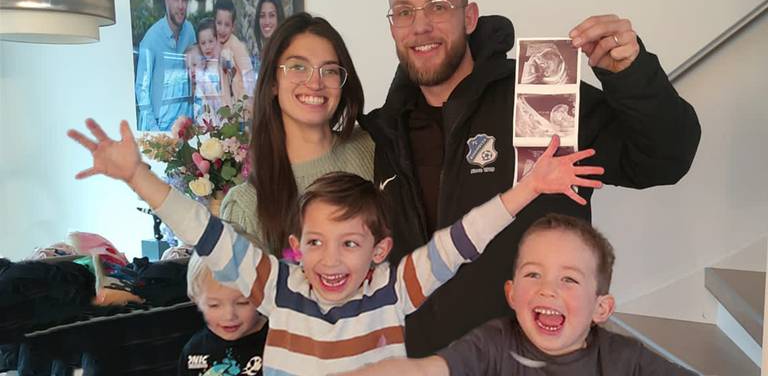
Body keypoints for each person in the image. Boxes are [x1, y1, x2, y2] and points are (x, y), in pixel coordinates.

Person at [359, 0, 702, 356]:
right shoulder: (384, 133)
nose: (420, 26)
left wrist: (632, 75)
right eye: (404, 11)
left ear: (469, 17)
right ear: (392, 25)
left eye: (438, 6)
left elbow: (664, 158)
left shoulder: (539, 94)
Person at [67, 113, 603, 374]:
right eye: (318, 242)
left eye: (350, 244)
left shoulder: (395, 288)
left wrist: (530, 185)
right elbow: (205, 233)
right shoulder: (276, 284)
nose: (330, 258)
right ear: (297, 246)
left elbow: (464, 240)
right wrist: (139, 178)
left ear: (379, 250)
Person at [338, 214, 696, 376]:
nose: (547, 289)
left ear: (601, 308)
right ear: (511, 293)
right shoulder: (493, 344)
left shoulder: (625, 359)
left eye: (568, 279)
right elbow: (428, 370)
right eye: (533, 274)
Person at [220, 13, 373, 256]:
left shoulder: (373, 147)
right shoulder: (246, 206)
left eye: (330, 70)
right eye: (298, 67)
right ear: (272, 83)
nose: (315, 83)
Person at [178, 253, 267, 375]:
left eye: (242, 303)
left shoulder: (279, 343)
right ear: (196, 301)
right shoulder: (194, 350)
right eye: (214, 305)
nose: (229, 315)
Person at [135, 0, 197, 131]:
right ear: (166, 0)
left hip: (187, 130)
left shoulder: (190, 31)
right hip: (160, 130)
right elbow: (141, 90)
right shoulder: (150, 40)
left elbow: (194, 78)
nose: (181, 5)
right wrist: (156, 133)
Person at [214, 0, 256, 107]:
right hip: (225, 104)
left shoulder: (236, 46)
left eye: (227, 25)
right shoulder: (214, 44)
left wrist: (250, 99)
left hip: (241, 106)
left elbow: (248, 72)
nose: (222, 29)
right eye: (219, 23)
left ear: (233, 26)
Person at [188, 18, 225, 126]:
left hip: (213, 124)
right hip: (201, 123)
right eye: (203, 43)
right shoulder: (202, 67)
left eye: (211, 41)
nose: (207, 47)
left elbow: (217, 102)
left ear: (217, 40)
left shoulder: (218, 69)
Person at [252, 0, 286, 75]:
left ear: (279, 18)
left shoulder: (285, 52)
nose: (267, 21)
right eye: (262, 16)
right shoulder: (260, 54)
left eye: (272, 15)